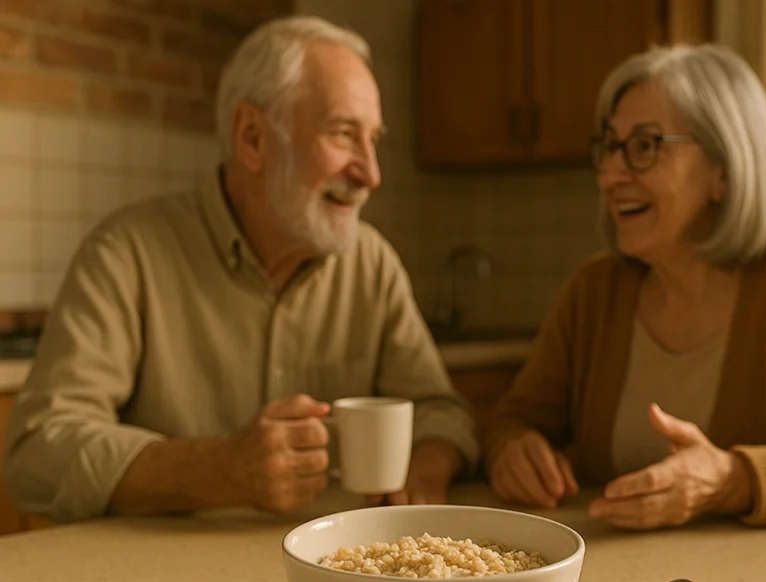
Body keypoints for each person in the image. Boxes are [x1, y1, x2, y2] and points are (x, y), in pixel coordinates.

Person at [2, 16, 478, 522]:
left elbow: (441, 411)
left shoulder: (372, 263)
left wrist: (427, 467)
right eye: (343, 134)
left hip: (336, 571)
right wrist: (218, 469)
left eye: (373, 139)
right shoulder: (127, 253)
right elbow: (38, 451)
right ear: (252, 138)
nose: (371, 174)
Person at [481, 44, 766, 529]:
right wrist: (513, 450)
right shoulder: (594, 292)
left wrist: (733, 479)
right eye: (611, 147)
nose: (610, 175)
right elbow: (512, 422)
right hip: (610, 580)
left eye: (645, 146)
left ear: (723, 169)